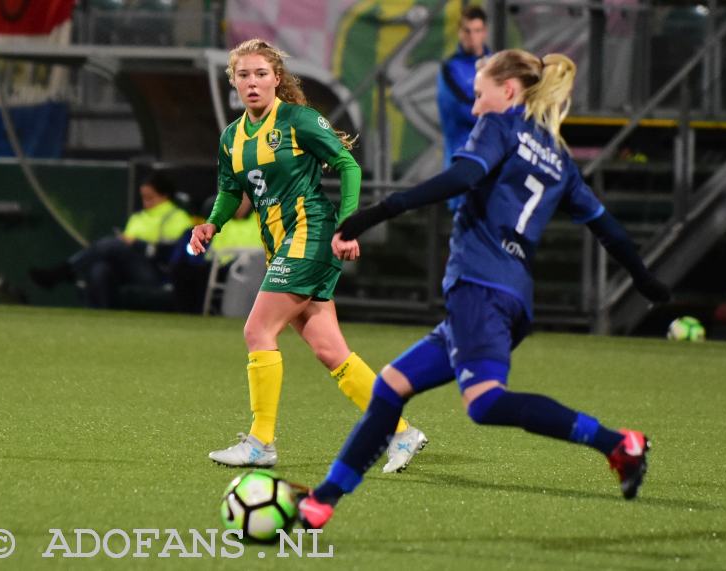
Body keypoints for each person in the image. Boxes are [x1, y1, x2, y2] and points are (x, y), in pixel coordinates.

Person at [297, 48, 672, 528]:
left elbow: (464, 176)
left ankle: (616, 443)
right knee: (389, 389)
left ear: (509, 90)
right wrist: (644, 279)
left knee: (486, 402)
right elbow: (609, 230)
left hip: (480, 286)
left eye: (480, 95)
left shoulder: (501, 125)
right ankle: (323, 500)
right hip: (509, 297)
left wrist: (378, 212)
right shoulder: (559, 159)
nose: (475, 107)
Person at [190, 39, 426, 473]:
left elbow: (348, 165)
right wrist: (212, 224)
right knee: (329, 350)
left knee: (257, 330)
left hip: (310, 233)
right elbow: (231, 191)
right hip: (281, 243)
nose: (253, 82)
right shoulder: (232, 137)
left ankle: (261, 441)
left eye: (261, 73)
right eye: (244, 75)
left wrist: (349, 225)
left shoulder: (298, 120)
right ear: (234, 82)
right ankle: (401, 431)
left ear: (276, 78)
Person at [29, 173, 192, 309]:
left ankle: (63, 271)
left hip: (156, 272)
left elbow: (174, 253)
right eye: (143, 198)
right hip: (128, 270)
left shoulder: (177, 217)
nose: (145, 203)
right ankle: (102, 317)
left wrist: (137, 244)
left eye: (150, 198)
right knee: (101, 267)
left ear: (164, 196)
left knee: (111, 245)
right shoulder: (137, 217)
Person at [170, 193, 263, 314]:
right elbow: (213, 246)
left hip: (245, 265)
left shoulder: (260, 219)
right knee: (183, 269)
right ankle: (186, 314)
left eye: (242, 200)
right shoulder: (223, 220)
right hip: (218, 263)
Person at [437, 5, 489, 212]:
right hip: (462, 162)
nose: (472, 37)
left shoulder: (495, 64)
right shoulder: (450, 68)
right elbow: (462, 110)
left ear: (484, 32)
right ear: (460, 32)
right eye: (467, 31)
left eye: (477, 31)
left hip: (491, 166)